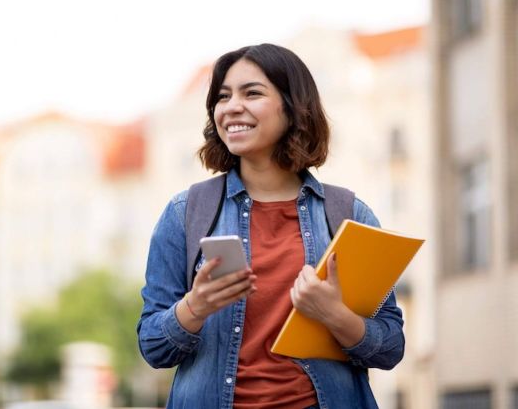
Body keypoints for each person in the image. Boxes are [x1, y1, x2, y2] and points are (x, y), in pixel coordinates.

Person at [137, 43, 404, 409]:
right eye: (223, 96)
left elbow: (390, 347)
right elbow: (153, 347)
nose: (231, 107)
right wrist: (195, 307)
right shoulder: (185, 213)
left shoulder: (348, 215)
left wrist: (334, 315)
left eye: (252, 93)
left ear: (294, 108)